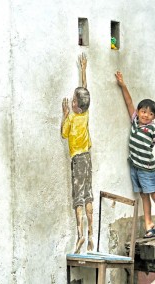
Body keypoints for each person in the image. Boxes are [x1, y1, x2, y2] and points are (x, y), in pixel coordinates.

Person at [115, 71, 155, 240]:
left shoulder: (152, 128)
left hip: (147, 169)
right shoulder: (134, 121)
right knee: (143, 195)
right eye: (143, 112)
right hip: (135, 166)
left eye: (150, 114)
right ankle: (149, 225)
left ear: (154, 117)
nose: (146, 115)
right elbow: (128, 101)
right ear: (138, 112)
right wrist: (123, 85)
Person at [61, 53, 94, 253]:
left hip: (77, 159)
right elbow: (86, 90)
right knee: (88, 195)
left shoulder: (72, 118)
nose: (72, 101)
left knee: (78, 198)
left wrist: (64, 116)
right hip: (88, 159)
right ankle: (91, 235)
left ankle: (80, 233)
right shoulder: (86, 113)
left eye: (73, 100)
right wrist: (83, 70)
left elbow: (63, 135)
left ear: (75, 106)